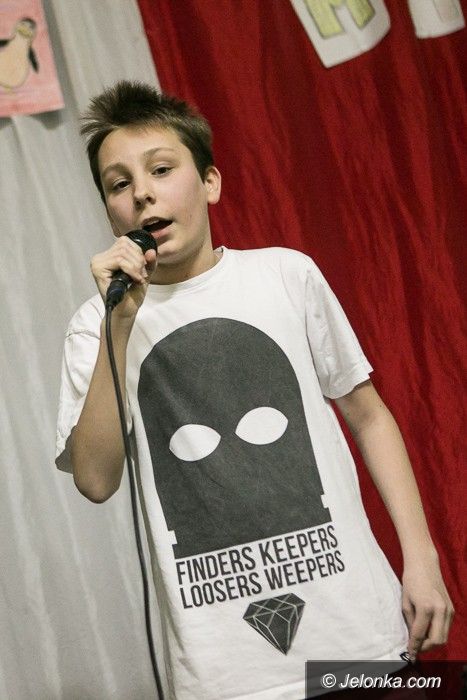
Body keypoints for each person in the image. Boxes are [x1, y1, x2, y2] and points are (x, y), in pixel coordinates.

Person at [55, 81, 454, 700]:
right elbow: (95, 479)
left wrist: (421, 559)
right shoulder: (97, 325)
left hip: (357, 637)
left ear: (209, 182)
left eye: (161, 169)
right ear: (111, 212)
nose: (142, 193)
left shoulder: (286, 275)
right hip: (225, 674)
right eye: (118, 183)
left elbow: (369, 416)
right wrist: (122, 322)